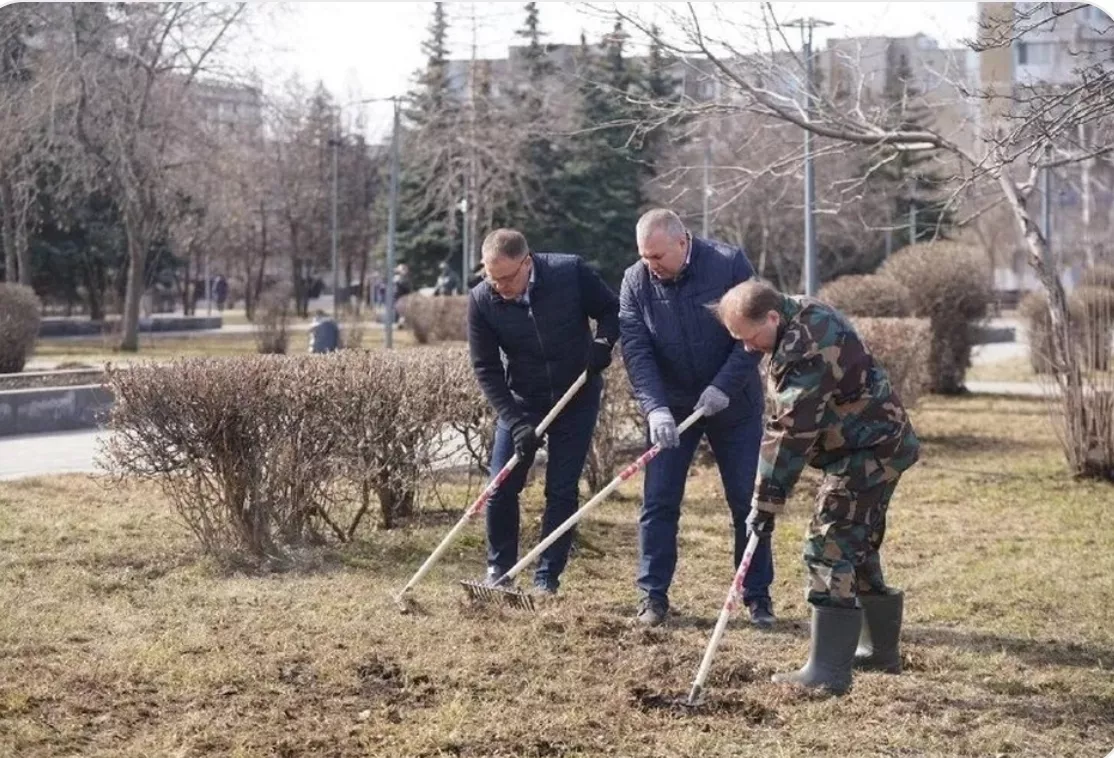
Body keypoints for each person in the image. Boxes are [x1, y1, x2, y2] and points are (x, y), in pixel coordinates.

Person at [713, 278, 921, 696]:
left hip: (868, 451)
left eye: (750, 337)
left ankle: (827, 672)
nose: (748, 348)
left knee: (828, 545)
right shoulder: (797, 313)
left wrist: (765, 503)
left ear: (772, 317)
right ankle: (879, 653)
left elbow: (790, 432)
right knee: (856, 543)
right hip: (874, 443)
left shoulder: (804, 347)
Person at [619, 208, 772, 628]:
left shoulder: (728, 264)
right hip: (672, 407)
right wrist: (655, 407)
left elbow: (754, 335)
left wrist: (723, 386)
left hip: (734, 405)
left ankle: (757, 596)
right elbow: (636, 349)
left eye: (657, 256)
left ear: (682, 241)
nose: (650, 265)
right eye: (644, 256)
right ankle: (652, 596)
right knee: (659, 501)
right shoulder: (635, 281)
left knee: (747, 501)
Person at [468, 228, 619, 597]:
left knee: (561, 490)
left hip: (576, 397)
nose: (499, 287)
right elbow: (486, 367)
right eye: (491, 277)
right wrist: (515, 421)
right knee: (501, 486)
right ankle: (499, 571)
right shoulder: (482, 300)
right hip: (523, 401)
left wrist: (602, 342)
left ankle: (546, 578)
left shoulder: (569, 273)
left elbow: (611, 309)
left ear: (527, 262)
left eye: (506, 278)